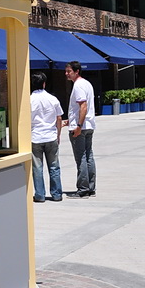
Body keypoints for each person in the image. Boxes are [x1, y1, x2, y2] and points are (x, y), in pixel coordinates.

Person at [63, 61, 96, 199]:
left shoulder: (78, 86)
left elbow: (83, 106)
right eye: (66, 71)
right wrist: (70, 121)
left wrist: (78, 126)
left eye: (69, 71)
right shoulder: (87, 84)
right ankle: (91, 187)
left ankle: (83, 189)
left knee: (81, 157)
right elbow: (79, 109)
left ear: (76, 71)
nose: (66, 74)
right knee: (88, 156)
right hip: (89, 125)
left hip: (81, 127)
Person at [30, 72, 63, 203]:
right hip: (51, 136)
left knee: (37, 168)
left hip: (35, 137)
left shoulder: (29, 100)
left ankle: (40, 195)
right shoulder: (53, 99)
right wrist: (58, 134)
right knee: (54, 166)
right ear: (44, 84)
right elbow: (59, 118)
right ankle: (57, 194)